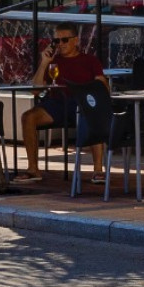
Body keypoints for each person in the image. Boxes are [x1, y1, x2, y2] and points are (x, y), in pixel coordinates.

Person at [17, 22, 108, 182]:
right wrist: (44, 62)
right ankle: (33, 169)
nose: (60, 44)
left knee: (94, 115)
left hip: (81, 103)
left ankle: (98, 169)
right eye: (56, 41)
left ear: (76, 40)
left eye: (65, 40)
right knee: (28, 117)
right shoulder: (53, 61)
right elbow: (35, 90)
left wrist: (91, 93)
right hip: (57, 103)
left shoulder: (90, 60)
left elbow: (103, 86)